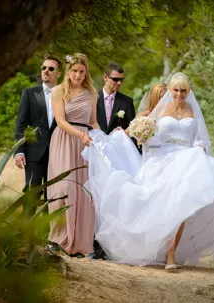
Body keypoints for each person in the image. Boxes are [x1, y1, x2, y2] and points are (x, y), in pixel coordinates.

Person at [83, 72, 214, 270]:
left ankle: (171, 254)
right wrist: (119, 136)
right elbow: (137, 131)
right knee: (164, 208)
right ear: (171, 91)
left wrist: (200, 147)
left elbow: (199, 138)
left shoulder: (192, 110)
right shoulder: (159, 110)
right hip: (163, 161)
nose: (180, 94)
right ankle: (163, 251)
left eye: (183, 90)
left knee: (181, 208)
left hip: (186, 160)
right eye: (176, 90)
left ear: (188, 91)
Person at [47, 53, 100, 258]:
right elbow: (60, 121)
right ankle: (59, 238)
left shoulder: (91, 93)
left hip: (85, 144)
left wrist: (99, 137)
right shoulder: (58, 91)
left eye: (81, 72)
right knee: (64, 187)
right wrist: (81, 135)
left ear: (86, 72)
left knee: (84, 191)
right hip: (64, 140)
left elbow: (93, 121)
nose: (77, 75)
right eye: (74, 71)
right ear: (67, 72)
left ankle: (81, 243)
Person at [90, 62, 136, 260]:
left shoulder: (127, 101)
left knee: (111, 199)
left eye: (121, 80)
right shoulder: (92, 97)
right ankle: (93, 245)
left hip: (116, 159)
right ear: (105, 77)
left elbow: (132, 130)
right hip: (94, 154)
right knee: (93, 198)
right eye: (115, 79)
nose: (118, 83)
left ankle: (110, 247)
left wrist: (123, 134)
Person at [14, 54, 62, 216]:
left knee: (53, 194)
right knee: (32, 192)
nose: (46, 71)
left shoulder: (65, 95)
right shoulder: (29, 93)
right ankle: (26, 234)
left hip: (58, 153)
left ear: (59, 74)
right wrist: (19, 151)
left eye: (51, 68)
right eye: (43, 68)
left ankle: (49, 234)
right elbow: (21, 124)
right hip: (34, 153)